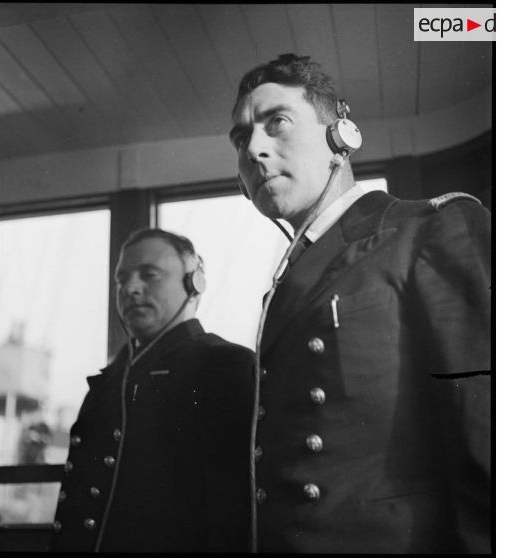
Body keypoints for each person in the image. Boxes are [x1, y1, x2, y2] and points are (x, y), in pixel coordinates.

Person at [230, 53, 491, 553]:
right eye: (241, 138)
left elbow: (487, 445)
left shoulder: (429, 230)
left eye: (276, 123)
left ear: (340, 138)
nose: (254, 149)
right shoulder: (285, 282)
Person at [49, 229, 254, 552]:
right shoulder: (108, 382)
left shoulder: (225, 367)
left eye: (150, 275)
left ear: (194, 284)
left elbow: (234, 513)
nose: (130, 288)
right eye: (122, 279)